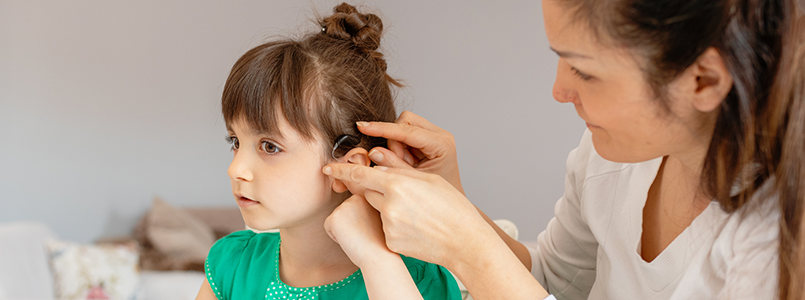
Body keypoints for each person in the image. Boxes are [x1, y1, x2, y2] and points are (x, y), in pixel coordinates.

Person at [322, 0, 805, 299]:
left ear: (703, 80)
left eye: (585, 71)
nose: (559, 90)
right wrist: (453, 200)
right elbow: (553, 280)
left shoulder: (772, 251)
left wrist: (467, 250)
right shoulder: (612, 155)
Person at [194, 3, 461, 300]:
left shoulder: (416, 280)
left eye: (270, 147)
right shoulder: (231, 263)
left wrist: (376, 259)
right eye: (235, 142)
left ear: (348, 168)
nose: (235, 169)